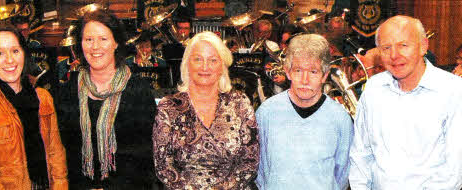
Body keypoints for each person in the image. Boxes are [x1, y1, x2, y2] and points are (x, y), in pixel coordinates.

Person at [349, 15, 462, 189]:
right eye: (386, 47)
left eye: (403, 45)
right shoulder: (373, 89)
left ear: (423, 46)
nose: (394, 55)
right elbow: (361, 154)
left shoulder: (453, 91)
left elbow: (454, 170)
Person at [50, 9, 158, 189]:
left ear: (116, 43)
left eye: (103, 39)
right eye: (88, 40)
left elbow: (145, 157)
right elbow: (63, 152)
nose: (95, 47)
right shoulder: (68, 91)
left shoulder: (138, 91)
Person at [0, 24, 68, 190]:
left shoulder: (43, 98)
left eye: (15, 51)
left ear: (24, 54)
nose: (10, 60)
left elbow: (56, 154)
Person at [153, 31, 259, 189]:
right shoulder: (168, 107)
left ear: (222, 67)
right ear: (187, 64)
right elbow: (163, 166)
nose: (205, 67)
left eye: (213, 60)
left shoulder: (240, 103)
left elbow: (250, 162)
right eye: (198, 59)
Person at [255, 34, 353, 190]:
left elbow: (343, 174)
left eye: (313, 72)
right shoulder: (266, 113)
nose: (305, 80)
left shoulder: (340, 119)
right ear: (287, 72)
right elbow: (260, 170)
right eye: (298, 70)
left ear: (324, 75)